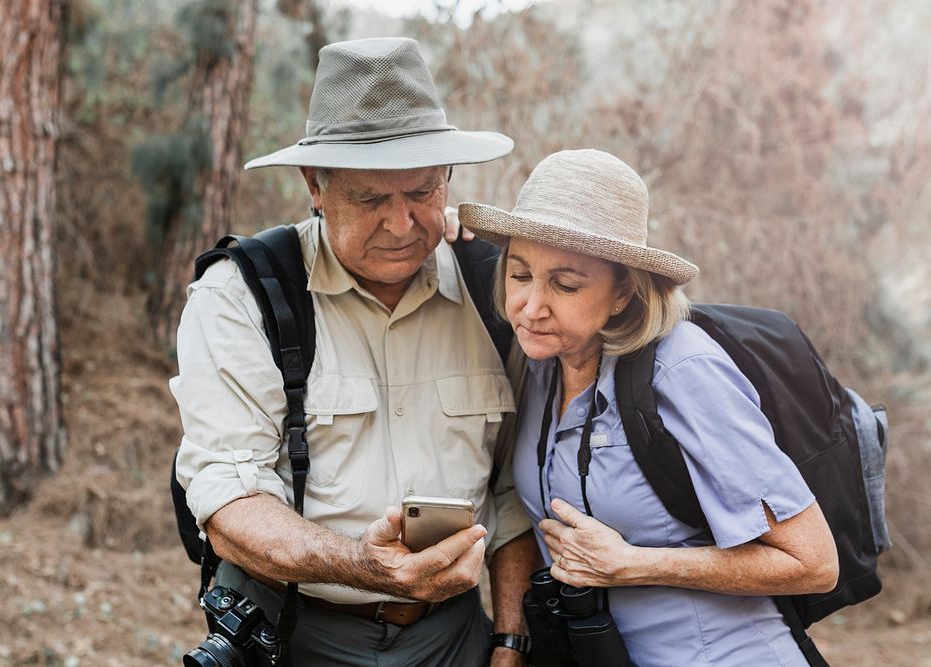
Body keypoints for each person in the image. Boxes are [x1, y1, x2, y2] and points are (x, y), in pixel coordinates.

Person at [171, 38, 538, 666]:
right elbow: (229, 499)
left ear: (448, 178)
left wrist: (509, 641)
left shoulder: (494, 287)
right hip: (298, 631)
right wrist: (359, 566)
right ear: (315, 184)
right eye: (371, 200)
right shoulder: (243, 295)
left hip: (456, 637)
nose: (402, 224)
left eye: (423, 192)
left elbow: (513, 491)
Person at [457, 149, 840, 666]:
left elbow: (813, 562)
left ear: (622, 294)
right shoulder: (541, 360)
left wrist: (632, 564)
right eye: (520, 275)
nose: (530, 306)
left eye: (566, 285)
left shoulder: (682, 370)